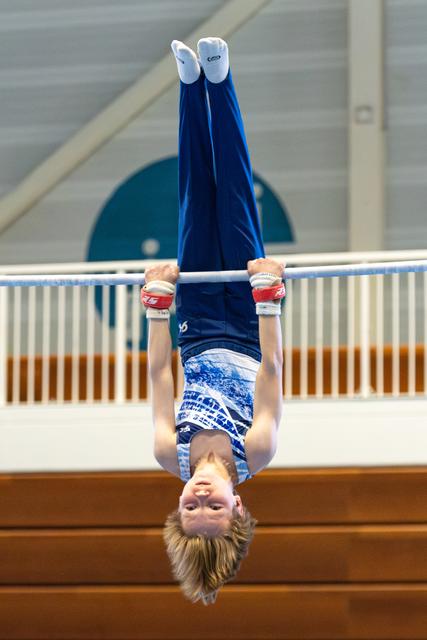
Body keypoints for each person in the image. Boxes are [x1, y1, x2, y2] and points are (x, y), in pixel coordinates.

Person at [141, 37, 285, 605]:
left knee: (193, 199)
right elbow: (271, 370)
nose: (200, 494)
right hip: (249, 322)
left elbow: (158, 378)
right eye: (214, 507)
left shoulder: (166, 451)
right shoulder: (258, 449)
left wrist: (157, 307)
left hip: (198, 321)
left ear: (177, 507)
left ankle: (187, 86)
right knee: (232, 196)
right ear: (238, 506)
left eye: (190, 506)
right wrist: (269, 298)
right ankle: (219, 85)